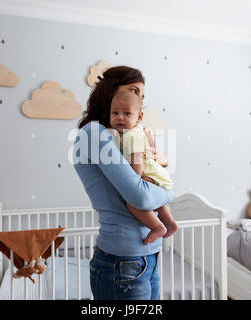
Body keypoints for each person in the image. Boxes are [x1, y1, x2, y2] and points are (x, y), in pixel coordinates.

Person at [73, 66, 173, 300]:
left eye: (141, 96)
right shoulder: (94, 133)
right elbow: (140, 196)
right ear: (111, 91)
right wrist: (169, 192)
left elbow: (150, 176)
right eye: (133, 90)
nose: (138, 99)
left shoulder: (126, 136)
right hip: (123, 259)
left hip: (148, 255)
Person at [109, 91, 177, 244]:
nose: (120, 117)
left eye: (127, 113)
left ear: (139, 117)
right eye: (115, 113)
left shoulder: (132, 135)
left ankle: (158, 226)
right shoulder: (127, 133)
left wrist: (133, 180)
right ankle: (170, 222)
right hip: (157, 176)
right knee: (155, 202)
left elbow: (137, 162)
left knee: (132, 202)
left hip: (152, 175)